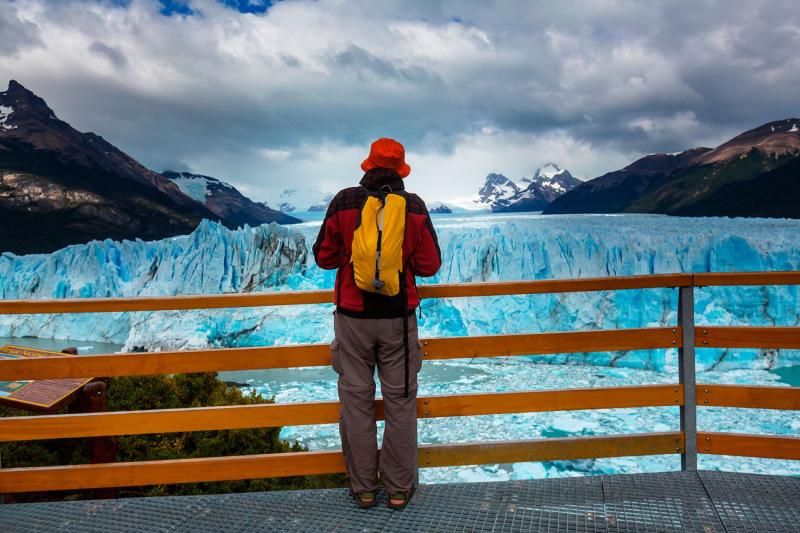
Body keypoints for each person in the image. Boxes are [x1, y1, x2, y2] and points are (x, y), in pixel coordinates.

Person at [312, 138, 442, 510]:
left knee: (356, 401)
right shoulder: (413, 206)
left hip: (352, 319)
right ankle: (399, 490)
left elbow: (323, 257)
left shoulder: (344, 201)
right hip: (398, 322)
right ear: (403, 170)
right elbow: (430, 264)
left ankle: (364, 488)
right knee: (400, 402)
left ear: (366, 166)